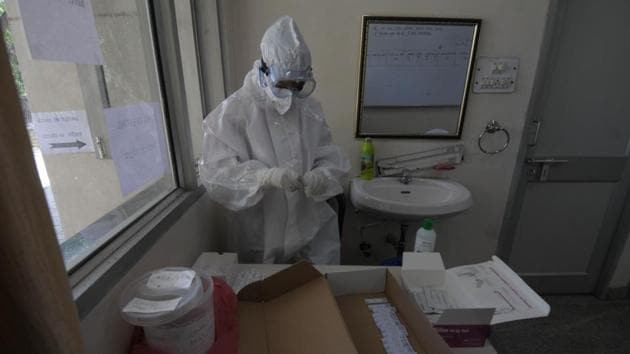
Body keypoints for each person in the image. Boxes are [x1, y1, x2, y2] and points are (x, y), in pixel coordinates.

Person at [200, 16, 350, 264]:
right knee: (262, 293)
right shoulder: (233, 113)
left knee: (316, 288)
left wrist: (322, 175)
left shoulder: (308, 109)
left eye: (298, 85)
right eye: (284, 84)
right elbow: (216, 175)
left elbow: (329, 156)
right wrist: (263, 177)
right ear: (264, 70)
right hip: (260, 231)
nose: (291, 93)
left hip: (309, 226)